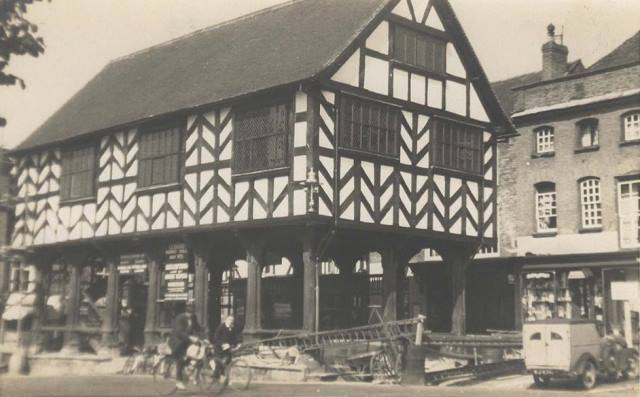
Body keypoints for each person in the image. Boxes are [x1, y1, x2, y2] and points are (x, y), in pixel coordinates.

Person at [169, 302, 202, 390]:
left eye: (192, 312)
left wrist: (204, 337)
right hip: (177, 342)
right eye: (190, 313)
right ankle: (178, 380)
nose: (191, 315)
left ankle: (190, 373)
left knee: (196, 354)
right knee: (180, 359)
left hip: (186, 342)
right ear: (186, 311)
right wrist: (191, 339)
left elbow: (198, 328)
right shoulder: (180, 318)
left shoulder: (193, 317)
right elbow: (179, 333)